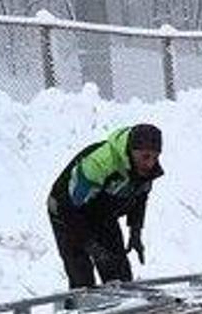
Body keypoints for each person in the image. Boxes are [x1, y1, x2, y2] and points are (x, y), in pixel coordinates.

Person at [47, 123, 164, 289]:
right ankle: (81, 304)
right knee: (82, 277)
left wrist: (135, 230)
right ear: (131, 151)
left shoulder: (145, 169)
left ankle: (120, 305)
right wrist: (91, 245)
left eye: (155, 157)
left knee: (119, 274)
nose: (150, 163)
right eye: (145, 156)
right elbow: (70, 209)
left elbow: (140, 197)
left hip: (101, 213)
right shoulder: (98, 164)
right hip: (65, 211)